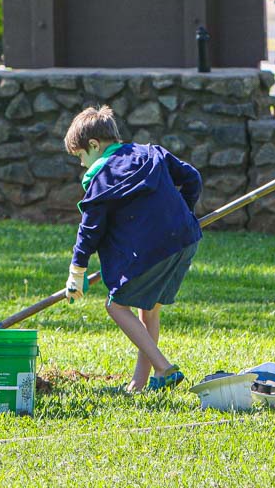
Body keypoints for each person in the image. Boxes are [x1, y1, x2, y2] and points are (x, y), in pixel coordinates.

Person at [62, 105, 203, 393]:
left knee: (115, 306)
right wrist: (182, 216)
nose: (81, 165)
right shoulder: (152, 153)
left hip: (148, 254)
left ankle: (164, 368)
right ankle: (140, 383)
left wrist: (77, 270)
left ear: (93, 145)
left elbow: (89, 229)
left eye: (80, 157)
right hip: (185, 241)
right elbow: (192, 179)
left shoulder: (101, 180)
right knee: (148, 310)